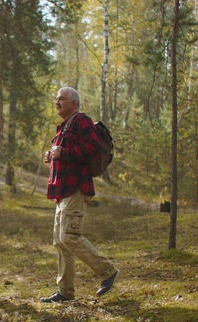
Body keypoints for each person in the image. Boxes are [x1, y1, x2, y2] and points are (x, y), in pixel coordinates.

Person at [40, 87, 119, 303]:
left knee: (69, 236)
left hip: (76, 189)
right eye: (56, 99)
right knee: (60, 241)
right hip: (62, 192)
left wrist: (63, 152)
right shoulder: (64, 127)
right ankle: (65, 292)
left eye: (61, 99)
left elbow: (92, 147)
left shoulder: (82, 120)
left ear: (73, 102)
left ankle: (108, 271)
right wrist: (53, 155)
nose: (57, 102)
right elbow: (65, 153)